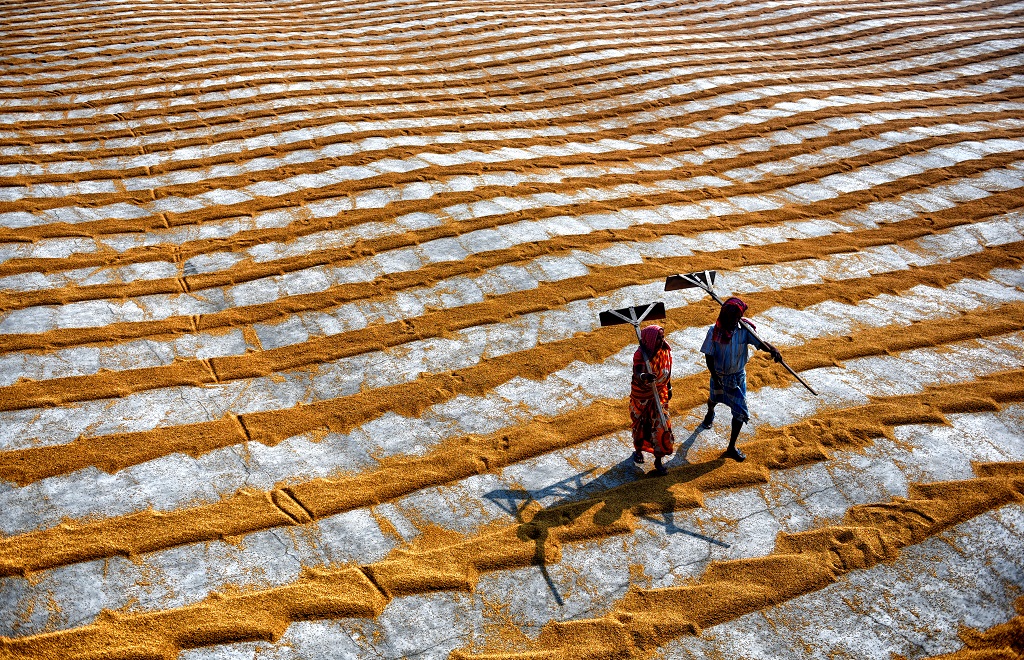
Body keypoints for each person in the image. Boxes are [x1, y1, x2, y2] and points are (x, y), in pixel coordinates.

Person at [698, 297, 781, 462]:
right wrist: (715, 375)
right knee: (714, 398)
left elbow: (759, 343)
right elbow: (708, 355)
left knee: (740, 411)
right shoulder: (714, 331)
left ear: (738, 318)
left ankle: (731, 447)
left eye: (734, 319)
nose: (730, 322)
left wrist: (773, 349)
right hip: (719, 375)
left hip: (737, 377)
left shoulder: (745, 329)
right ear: (723, 316)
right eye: (727, 319)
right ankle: (710, 411)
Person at [630, 324, 674, 475]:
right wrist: (645, 377)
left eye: (662, 337)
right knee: (642, 426)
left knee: (662, 425)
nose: (662, 340)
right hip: (642, 396)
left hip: (660, 395)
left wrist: (669, 387)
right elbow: (637, 372)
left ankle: (658, 460)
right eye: (658, 338)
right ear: (650, 340)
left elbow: (668, 371)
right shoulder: (640, 354)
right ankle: (638, 450)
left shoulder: (665, 352)